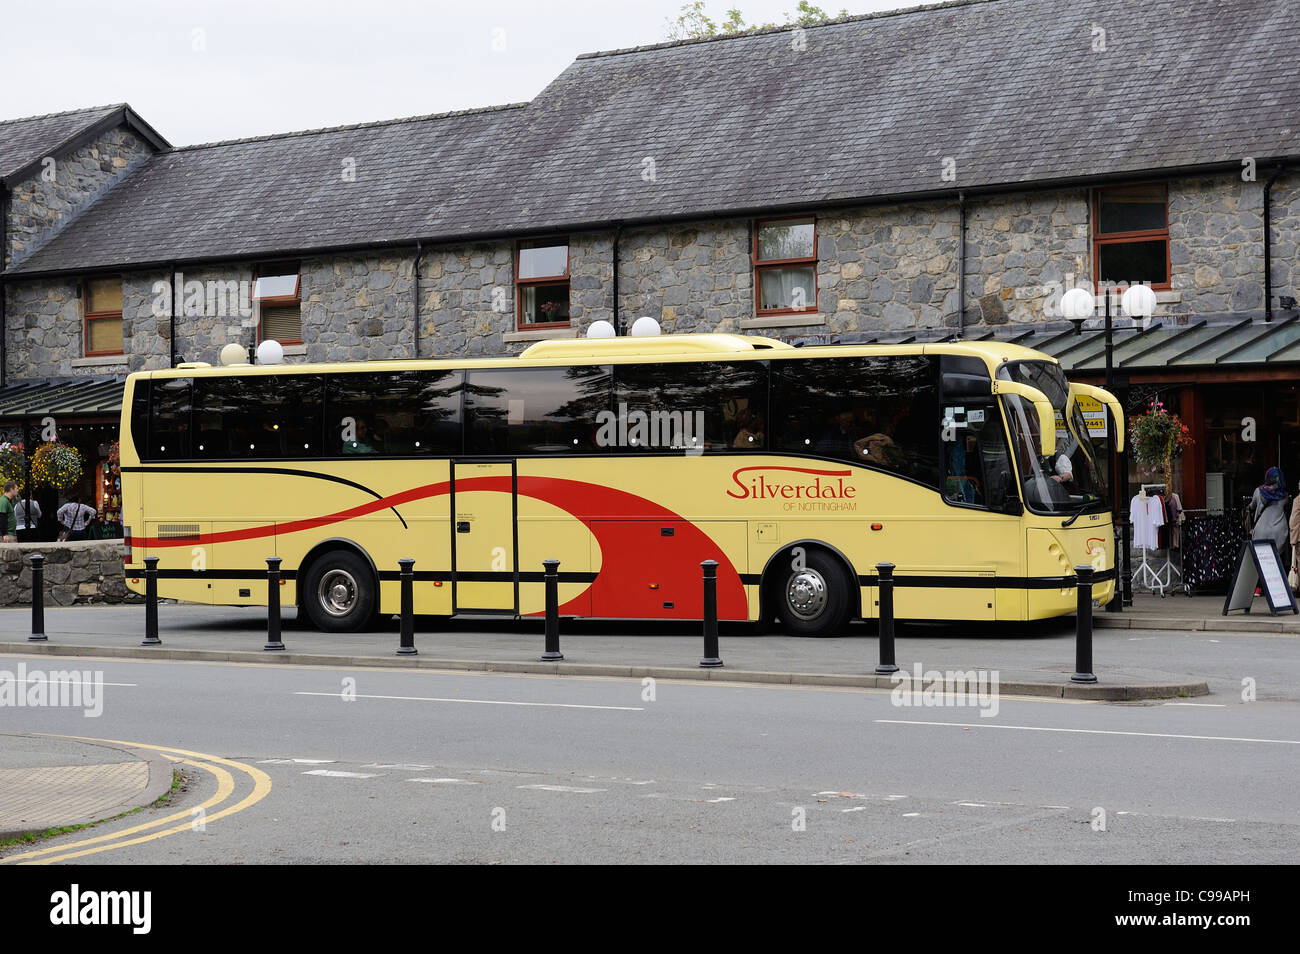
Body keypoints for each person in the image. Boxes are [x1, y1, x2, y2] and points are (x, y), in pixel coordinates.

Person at [1250, 466, 1290, 566]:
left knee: (1262, 563)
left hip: (1261, 533)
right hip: (1278, 534)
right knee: (1276, 563)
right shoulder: (1284, 496)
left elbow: (1252, 506)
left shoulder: (1258, 491)